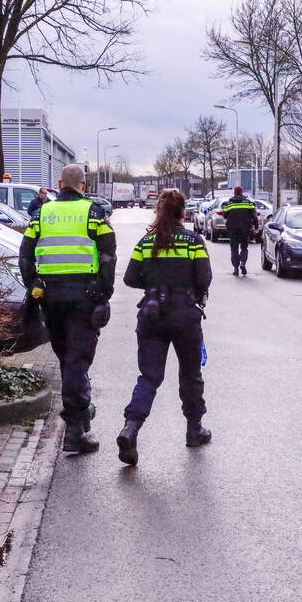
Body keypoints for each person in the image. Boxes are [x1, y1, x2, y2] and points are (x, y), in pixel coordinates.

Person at [19, 164, 116, 454]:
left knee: (66, 357)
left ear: (60, 183)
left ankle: (81, 412)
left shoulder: (41, 213)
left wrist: (34, 285)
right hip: (84, 296)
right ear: (83, 185)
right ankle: (75, 429)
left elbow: (25, 256)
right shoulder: (95, 214)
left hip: (51, 297)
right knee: (77, 359)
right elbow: (109, 256)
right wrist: (104, 294)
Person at [116, 189, 213, 466]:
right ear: (183, 212)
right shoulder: (193, 241)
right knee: (190, 374)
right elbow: (204, 278)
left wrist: (153, 285)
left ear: (159, 210)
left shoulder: (147, 241)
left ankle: (131, 427)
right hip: (185, 315)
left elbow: (130, 278)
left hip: (152, 314)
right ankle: (194, 430)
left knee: (149, 376)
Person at [222, 186, 258, 276]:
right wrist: (256, 227)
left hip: (232, 229)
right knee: (244, 247)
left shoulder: (229, 203)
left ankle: (235, 268)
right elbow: (255, 216)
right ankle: (242, 263)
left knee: (234, 248)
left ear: (234, 193)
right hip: (245, 229)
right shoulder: (249, 203)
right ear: (242, 192)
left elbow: (225, 215)